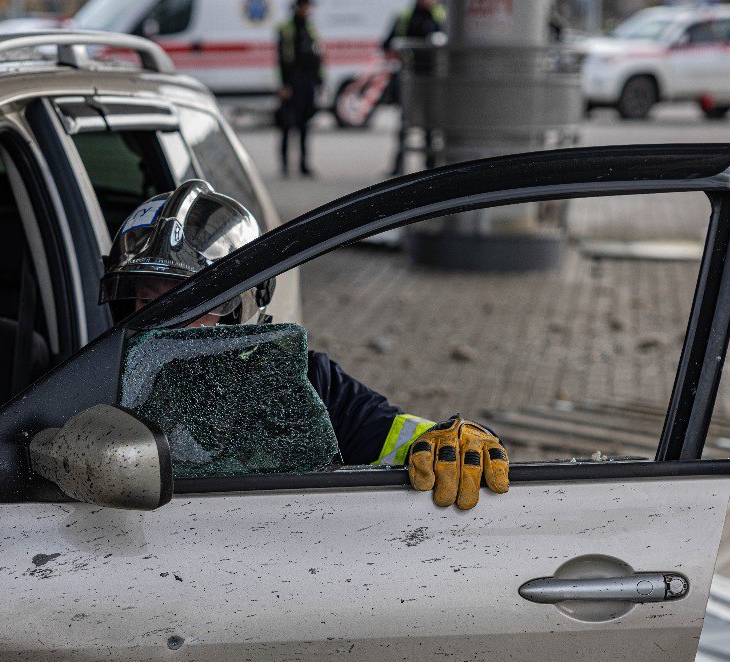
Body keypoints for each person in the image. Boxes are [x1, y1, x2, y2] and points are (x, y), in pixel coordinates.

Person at [100, 179, 510, 509]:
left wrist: (456, 441)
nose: (166, 321)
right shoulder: (97, 378)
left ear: (244, 305)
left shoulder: (306, 382)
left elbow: (401, 438)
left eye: (193, 302)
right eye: (148, 300)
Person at [384, 0, 446, 175]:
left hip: (433, 78)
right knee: (405, 123)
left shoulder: (440, 16)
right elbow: (387, 44)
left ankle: (432, 165)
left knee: (431, 123)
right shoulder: (405, 18)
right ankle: (398, 164)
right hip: (410, 79)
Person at [276, 0, 323, 178]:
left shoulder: (309, 28)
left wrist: (319, 81)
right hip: (292, 83)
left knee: (304, 124)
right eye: (305, 6)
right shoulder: (287, 29)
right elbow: (281, 59)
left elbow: (317, 56)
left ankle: (303, 164)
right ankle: (285, 165)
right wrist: (284, 84)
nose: (307, 10)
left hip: (307, 82)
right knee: (287, 124)